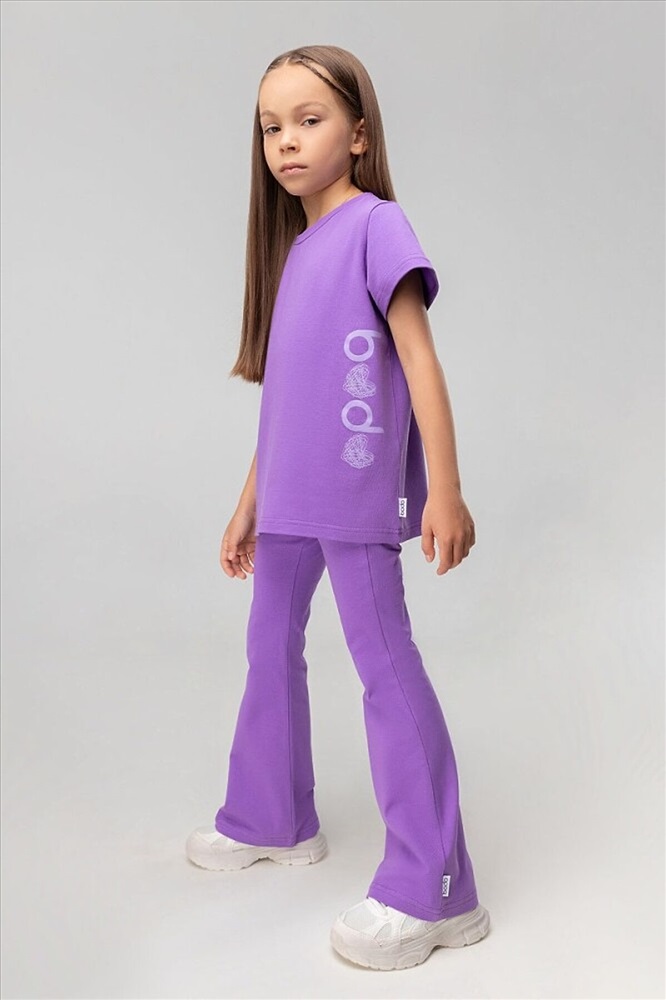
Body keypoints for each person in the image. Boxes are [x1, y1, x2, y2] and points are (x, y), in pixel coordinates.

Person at [185, 44, 491, 972]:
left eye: (308, 120)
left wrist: (445, 487)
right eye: (270, 126)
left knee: (383, 664)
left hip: (354, 492)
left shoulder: (375, 227)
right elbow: (287, 400)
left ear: (358, 134)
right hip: (288, 499)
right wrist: (248, 503)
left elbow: (419, 359)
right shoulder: (294, 253)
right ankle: (272, 816)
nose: (286, 141)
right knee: (268, 643)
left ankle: (437, 887)